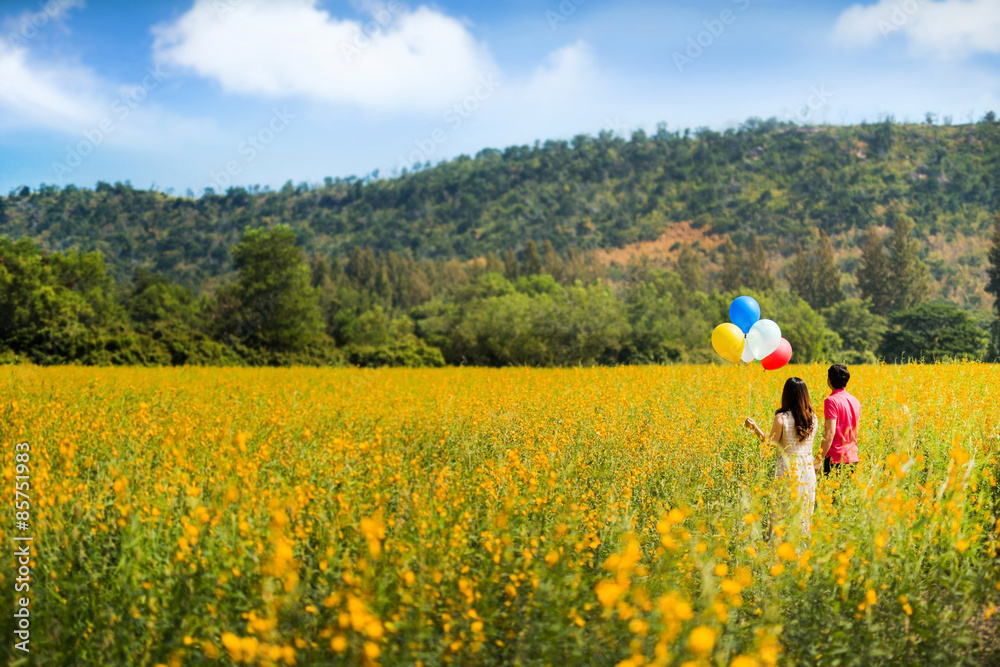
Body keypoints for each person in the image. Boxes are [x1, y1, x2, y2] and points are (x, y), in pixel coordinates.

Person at [744, 377, 818, 538]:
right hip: (808, 469)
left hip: (788, 468)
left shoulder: (782, 418)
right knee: (804, 510)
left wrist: (755, 427)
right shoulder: (813, 418)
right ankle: (800, 549)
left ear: (787, 395)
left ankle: (777, 549)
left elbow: (770, 444)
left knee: (781, 510)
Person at [814, 364, 861, 477]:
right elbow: (855, 431)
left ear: (829, 380)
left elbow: (830, 432)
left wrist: (819, 459)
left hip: (835, 459)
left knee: (833, 494)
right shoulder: (855, 401)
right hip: (852, 457)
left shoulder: (831, 401)